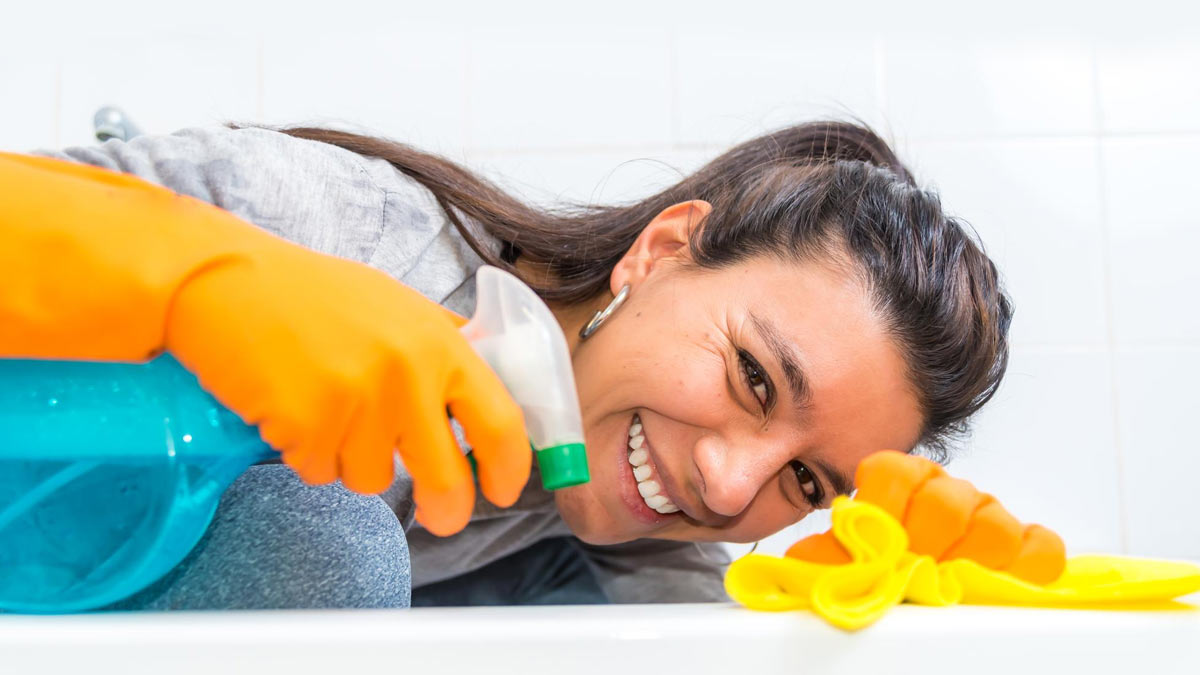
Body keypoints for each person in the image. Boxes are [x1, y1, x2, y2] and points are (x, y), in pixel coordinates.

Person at [0, 120, 1010, 609]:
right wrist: (196, 282)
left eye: (805, 480)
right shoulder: (335, 226)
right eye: (753, 378)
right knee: (331, 556)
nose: (729, 484)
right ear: (658, 252)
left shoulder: (622, 523)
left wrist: (860, 627)